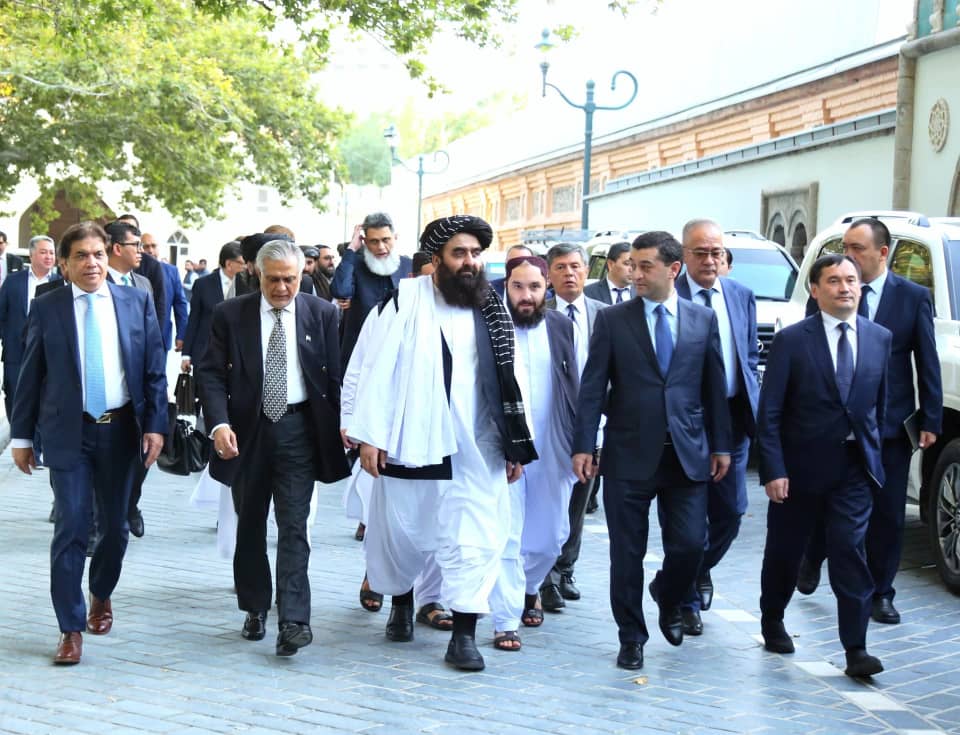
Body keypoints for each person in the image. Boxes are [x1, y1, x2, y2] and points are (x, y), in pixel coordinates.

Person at [345, 214, 536, 672]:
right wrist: (368, 434)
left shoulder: (492, 310)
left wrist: (516, 444)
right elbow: (372, 369)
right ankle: (402, 601)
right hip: (410, 443)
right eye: (459, 253)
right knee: (403, 532)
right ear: (436, 258)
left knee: (476, 538)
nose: (470, 262)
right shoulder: (400, 303)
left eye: (475, 253)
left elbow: (515, 379)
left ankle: (464, 635)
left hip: (478, 447)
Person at [572, 230, 731, 671]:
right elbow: (592, 387)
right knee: (626, 554)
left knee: (691, 545)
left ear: (673, 269)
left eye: (646, 266)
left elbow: (714, 388)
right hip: (628, 454)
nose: (635, 274)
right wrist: (584, 445)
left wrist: (721, 444)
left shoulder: (702, 320)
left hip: (686, 454)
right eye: (632, 266)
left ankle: (669, 594)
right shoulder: (613, 320)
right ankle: (631, 637)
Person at [10, 221, 167, 665]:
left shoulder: (136, 301)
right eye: (81, 255)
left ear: (108, 255)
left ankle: (101, 592)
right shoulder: (48, 307)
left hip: (121, 431)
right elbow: (30, 375)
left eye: (98, 254)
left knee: (115, 528)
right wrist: (21, 436)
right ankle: (70, 627)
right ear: (64, 264)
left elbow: (154, 369)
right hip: (68, 433)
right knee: (72, 526)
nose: (92, 263)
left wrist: (156, 425)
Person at [197, 239, 349, 657]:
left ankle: (295, 620)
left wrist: (344, 425)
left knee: (295, 525)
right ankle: (255, 606)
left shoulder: (323, 313)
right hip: (247, 434)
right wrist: (219, 424)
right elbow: (211, 374)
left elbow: (334, 377)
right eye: (274, 279)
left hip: (299, 431)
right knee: (249, 525)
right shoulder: (230, 314)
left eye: (290, 279)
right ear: (257, 275)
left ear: (302, 276)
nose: (282, 288)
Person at [797, 218, 942, 626]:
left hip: (890, 427)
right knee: (827, 500)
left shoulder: (912, 297)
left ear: (882, 253)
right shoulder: (830, 290)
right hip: (836, 425)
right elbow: (810, 350)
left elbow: (926, 360)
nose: (848, 256)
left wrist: (930, 417)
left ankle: (881, 592)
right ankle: (813, 555)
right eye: (844, 247)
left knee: (888, 513)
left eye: (857, 248)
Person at [757, 253, 891, 678]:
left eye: (851, 279)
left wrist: (874, 458)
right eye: (833, 280)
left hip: (854, 469)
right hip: (799, 469)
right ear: (815, 290)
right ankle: (772, 617)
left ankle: (856, 649)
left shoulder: (879, 338)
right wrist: (774, 469)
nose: (844, 287)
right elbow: (770, 411)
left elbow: (878, 407)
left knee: (849, 550)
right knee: (785, 551)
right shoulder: (792, 341)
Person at [488, 255, 578, 651]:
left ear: (547, 288)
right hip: (504, 448)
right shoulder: (490, 325)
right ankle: (505, 620)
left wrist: (586, 443)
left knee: (549, 539)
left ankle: (529, 588)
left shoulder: (561, 326)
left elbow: (577, 383)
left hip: (553, 445)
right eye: (518, 287)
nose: (526, 296)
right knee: (507, 535)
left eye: (535, 287)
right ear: (506, 287)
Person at [674, 219, 760, 635]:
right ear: (683, 256)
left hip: (732, 417)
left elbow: (748, 356)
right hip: (687, 421)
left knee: (731, 512)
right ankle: (686, 597)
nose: (710, 261)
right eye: (701, 253)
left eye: (717, 253)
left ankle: (693, 570)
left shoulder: (740, 295)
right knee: (689, 519)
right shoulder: (669, 295)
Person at [540, 242, 607, 612]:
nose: (569, 273)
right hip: (549, 420)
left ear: (586, 271)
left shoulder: (604, 315)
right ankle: (545, 576)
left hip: (592, 421)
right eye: (561, 267)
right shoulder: (538, 313)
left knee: (580, 497)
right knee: (549, 497)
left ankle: (566, 568)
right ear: (549, 274)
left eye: (576, 266)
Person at [104, 221, 160, 539]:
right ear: (117, 248)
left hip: (139, 388)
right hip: (106, 390)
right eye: (135, 245)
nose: (141, 251)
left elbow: (153, 338)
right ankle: (100, 524)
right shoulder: (95, 283)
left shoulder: (143, 284)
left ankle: (130, 506)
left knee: (140, 457)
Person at [330, 213, 412, 370]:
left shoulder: (409, 265)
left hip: (398, 351)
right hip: (360, 351)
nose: (381, 247)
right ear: (365, 242)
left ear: (395, 237)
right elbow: (340, 291)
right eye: (374, 241)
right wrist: (351, 249)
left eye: (386, 240)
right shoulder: (354, 264)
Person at [0, 235, 57, 420]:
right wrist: (7, 338)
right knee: (14, 397)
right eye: (43, 252)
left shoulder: (61, 283)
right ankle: (18, 434)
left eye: (52, 253)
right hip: (16, 354)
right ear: (31, 255)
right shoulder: (13, 281)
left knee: (45, 399)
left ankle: (38, 437)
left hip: (49, 354)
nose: (49, 257)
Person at [180, 241, 245, 378]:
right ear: (229, 264)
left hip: (235, 356)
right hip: (205, 354)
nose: (245, 267)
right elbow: (194, 319)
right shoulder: (203, 284)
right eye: (241, 263)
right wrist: (186, 354)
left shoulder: (247, 285)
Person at [142, 233, 188, 352]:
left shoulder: (171, 271)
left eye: (153, 246)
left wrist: (181, 334)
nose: (150, 250)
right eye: (146, 246)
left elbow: (180, 303)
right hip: (138, 339)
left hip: (162, 337)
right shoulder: (133, 271)